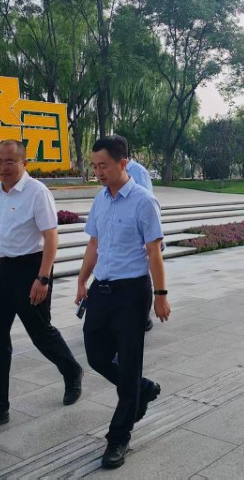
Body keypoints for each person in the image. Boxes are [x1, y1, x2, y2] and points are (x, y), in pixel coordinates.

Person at [0, 140, 84, 434]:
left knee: (40, 333)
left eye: (9, 162)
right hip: (1, 272)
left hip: (31, 270)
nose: (3, 168)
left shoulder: (37, 192)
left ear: (24, 163)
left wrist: (43, 278)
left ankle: (71, 370)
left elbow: (51, 237)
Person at [75, 135, 170, 469]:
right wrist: (82, 280)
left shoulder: (144, 201)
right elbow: (94, 244)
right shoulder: (100, 200)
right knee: (96, 354)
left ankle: (118, 437)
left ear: (123, 163)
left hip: (132, 292)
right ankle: (141, 389)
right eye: (95, 166)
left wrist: (160, 295)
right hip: (101, 289)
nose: (98, 172)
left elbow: (154, 252)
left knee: (128, 364)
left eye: (104, 166)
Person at [125, 151, 157, 332]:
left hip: (141, 232)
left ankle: (144, 317)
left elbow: (148, 201)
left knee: (144, 275)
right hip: (126, 230)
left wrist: (151, 235)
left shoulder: (138, 171)